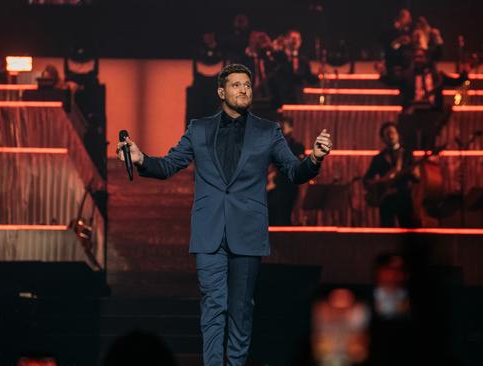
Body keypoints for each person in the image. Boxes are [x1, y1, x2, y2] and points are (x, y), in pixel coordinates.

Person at [116, 63, 332, 366]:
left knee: (241, 308)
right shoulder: (199, 128)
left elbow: (294, 172)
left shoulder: (268, 131)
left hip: (248, 231)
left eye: (247, 84)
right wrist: (140, 159)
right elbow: (168, 165)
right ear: (221, 91)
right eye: (236, 85)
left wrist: (315, 159)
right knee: (213, 305)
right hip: (209, 231)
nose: (243, 89)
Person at [380, 47, 467, 150]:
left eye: (421, 57)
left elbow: (456, 82)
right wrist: (382, 72)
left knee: (429, 141)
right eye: (416, 57)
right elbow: (392, 81)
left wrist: (465, 71)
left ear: (426, 59)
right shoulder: (407, 75)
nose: (418, 60)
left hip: (431, 113)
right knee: (410, 143)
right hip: (412, 113)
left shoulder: (437, 76)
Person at [363, 122, 418, 228]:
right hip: (386, 199)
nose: (391, 136)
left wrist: (415, 174)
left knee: (409, 232)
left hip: (404, 198)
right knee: (386, 232)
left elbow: (416, 179)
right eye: (387, 134)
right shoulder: (378, 158)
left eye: (393, 132)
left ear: (398, 135)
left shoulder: (407, 155)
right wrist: (376, 185)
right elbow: (367, 178)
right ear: (383, 138)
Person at [267, 115, 305, 226]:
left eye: (284, 126)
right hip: (273, 189)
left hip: (287, 188)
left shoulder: (297, 146)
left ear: (291, 128)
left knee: (283, 218)